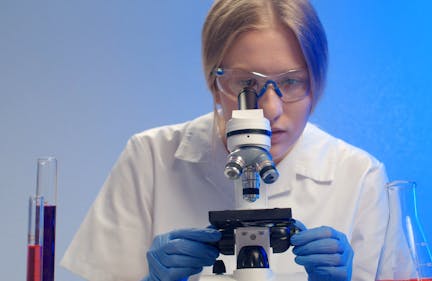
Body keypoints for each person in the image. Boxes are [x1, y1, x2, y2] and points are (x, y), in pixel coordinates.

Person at [61, 1, 390, 281]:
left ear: (315, 81)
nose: (270, 109)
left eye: (291, 82)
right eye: (247, 83)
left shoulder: (359, 176)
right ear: (213, 81)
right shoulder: (150, 158)